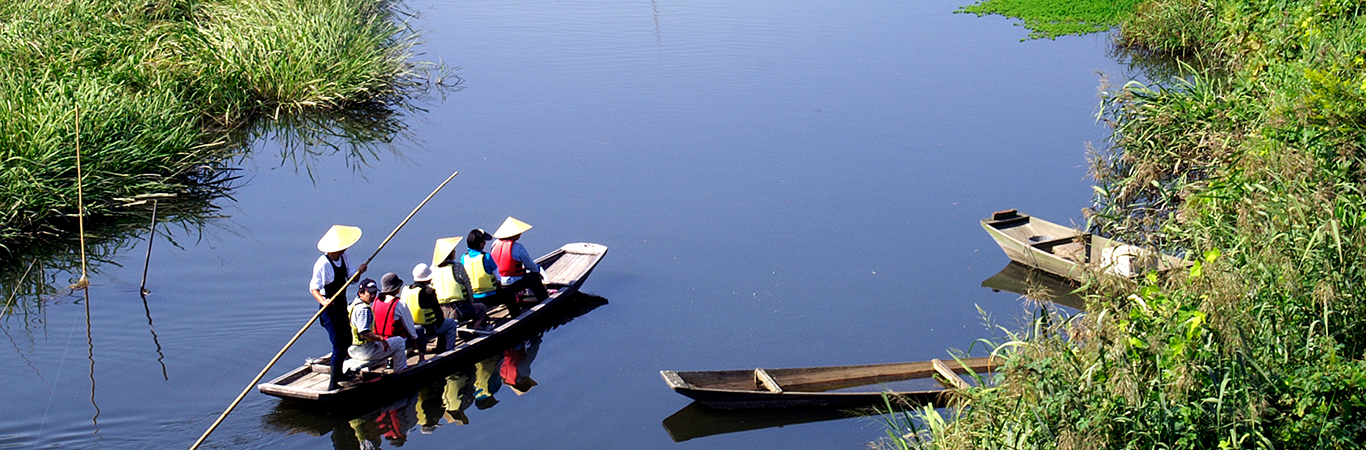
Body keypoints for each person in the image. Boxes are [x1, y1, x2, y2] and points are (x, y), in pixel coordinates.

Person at [309, 225, 368, 391]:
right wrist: (323, 300)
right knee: (338, 346)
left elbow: (352, 279)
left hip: (342, 307)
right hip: (329, 311)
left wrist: (360, 272)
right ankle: (333, 383)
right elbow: (314, 288)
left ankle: (340, 373)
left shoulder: (344, 257)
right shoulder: (322, 264)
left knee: (347, 340)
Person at [347, 276, 407, 373]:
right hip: (365, 351)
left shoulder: (353, 305)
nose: (373, 296)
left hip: (353, 350)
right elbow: (364, 332)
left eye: (374, 293)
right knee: (399, 341)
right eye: (370, 293)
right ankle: (401, 370)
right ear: (361, 293)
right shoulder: (364, 310)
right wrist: (381, 339)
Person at [490, 217, 550, 308]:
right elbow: (530, 265)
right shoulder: (518, 248)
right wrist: (537, 269)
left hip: (498, 283)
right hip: (512, 283)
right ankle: (545, 301)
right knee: (533, 277)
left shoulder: (494, 244)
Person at [431, 237, 487, 329]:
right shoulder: (458, 268)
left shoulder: (432, 270)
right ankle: (473, 329)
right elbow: (469, 289)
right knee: (481, 308)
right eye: (453, 251)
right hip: (458, 310)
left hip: (440, 313)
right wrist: (471, 303)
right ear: (449, 254)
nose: (455, 252)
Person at [403, 264, 461, 351]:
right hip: (428, 328)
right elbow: (438, 313)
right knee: (451, 323)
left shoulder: (406, 290)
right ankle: (450, 350)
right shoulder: (428, 292)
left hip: (411, 328)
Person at [462, 229, 511, 316]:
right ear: (480, 243)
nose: (485, 243)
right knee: (508, 293)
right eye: (483, 241)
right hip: (490, 297)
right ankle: (515, 315)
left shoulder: (463, 258)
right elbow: (498, 278)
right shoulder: (487, 257)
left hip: (473, 298)